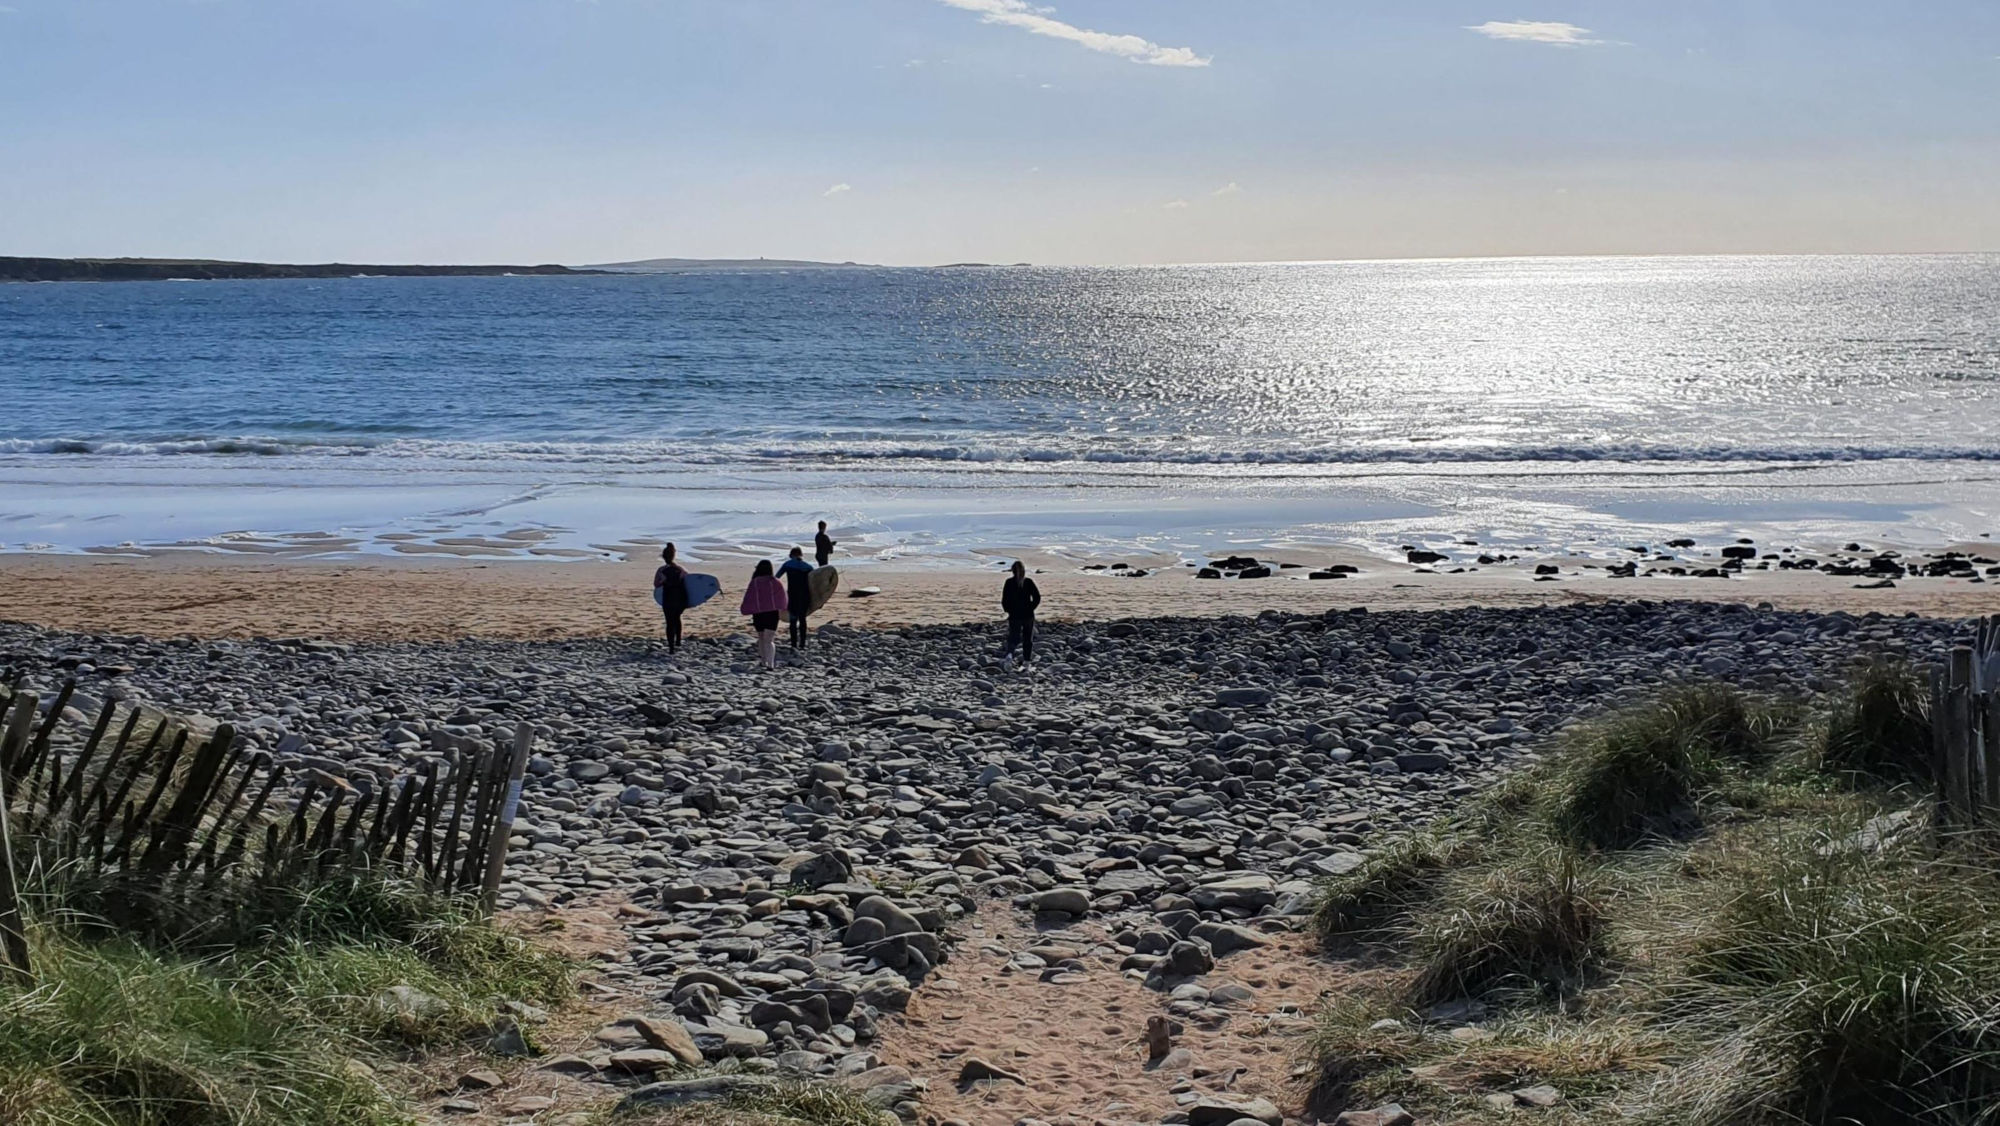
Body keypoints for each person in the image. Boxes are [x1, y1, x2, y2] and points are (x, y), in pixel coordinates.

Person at [740, 559, 787, 669]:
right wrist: (783, 609)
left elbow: (749, 597)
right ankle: (770, 664)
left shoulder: (755, 582)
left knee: (761, 637)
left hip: (758, 613)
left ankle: (763, 661)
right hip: (772, 614)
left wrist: (745, 609)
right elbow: (783, 598)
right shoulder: (776, 582)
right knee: (769, 640)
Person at [1000, 560, 1041, 666]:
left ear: (1012, 571)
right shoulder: (1028, 582)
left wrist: (1008, 610)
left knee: (1013, 636)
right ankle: (1027, 661)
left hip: (1014, 614)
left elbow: (1005, 599)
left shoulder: (1009, 582)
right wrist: (1031, 608)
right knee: (1027, 638)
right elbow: (1037, 597)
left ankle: (1009, 655)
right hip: (1027, 614)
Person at [653, 543, 689, 653]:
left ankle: (671, 648)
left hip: (668, 598)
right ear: (674, 556)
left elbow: (656, 584)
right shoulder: (680, 569)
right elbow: (689, 581)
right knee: (677, 618)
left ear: (663, 557)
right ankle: (678, 641)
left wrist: (664, 581)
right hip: (680, 599)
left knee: (669, 622)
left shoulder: (661, 570)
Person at [778, 547, 816, 650]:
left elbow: (776, 578)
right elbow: (815, 583)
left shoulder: (787, 564)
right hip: (805, 595)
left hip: (792, 595)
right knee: (803, 619)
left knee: (793, 619)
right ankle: (802, 644)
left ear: (791, 555)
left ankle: (794, 644)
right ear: (801, 555)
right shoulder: (808, 567)